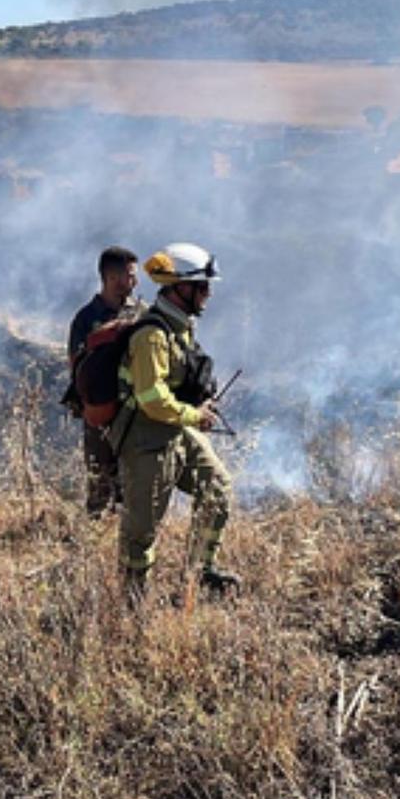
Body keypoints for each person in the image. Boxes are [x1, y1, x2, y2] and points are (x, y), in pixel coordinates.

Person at [109, 242, 240, 600]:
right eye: (202, 286)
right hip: (145, 439)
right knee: (141, 532)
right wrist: (194, 415)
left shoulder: (179, 327)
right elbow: (152, 399)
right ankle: (132, 602)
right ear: (180, 288)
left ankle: (199, 575)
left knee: (217, 488)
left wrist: (197, 402)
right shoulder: (152, 334)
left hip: (175, 429)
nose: (208, 294)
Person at [65, 246, 141, 517]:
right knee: (100, 483)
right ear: (111, 277)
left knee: (133, 485)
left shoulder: (140, 312)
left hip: (134, 412)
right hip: (100, 412)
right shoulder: (86, 319)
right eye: (128, 276)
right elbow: (77, 368)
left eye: (134, 276)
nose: (133, 283)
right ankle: (95, 539)